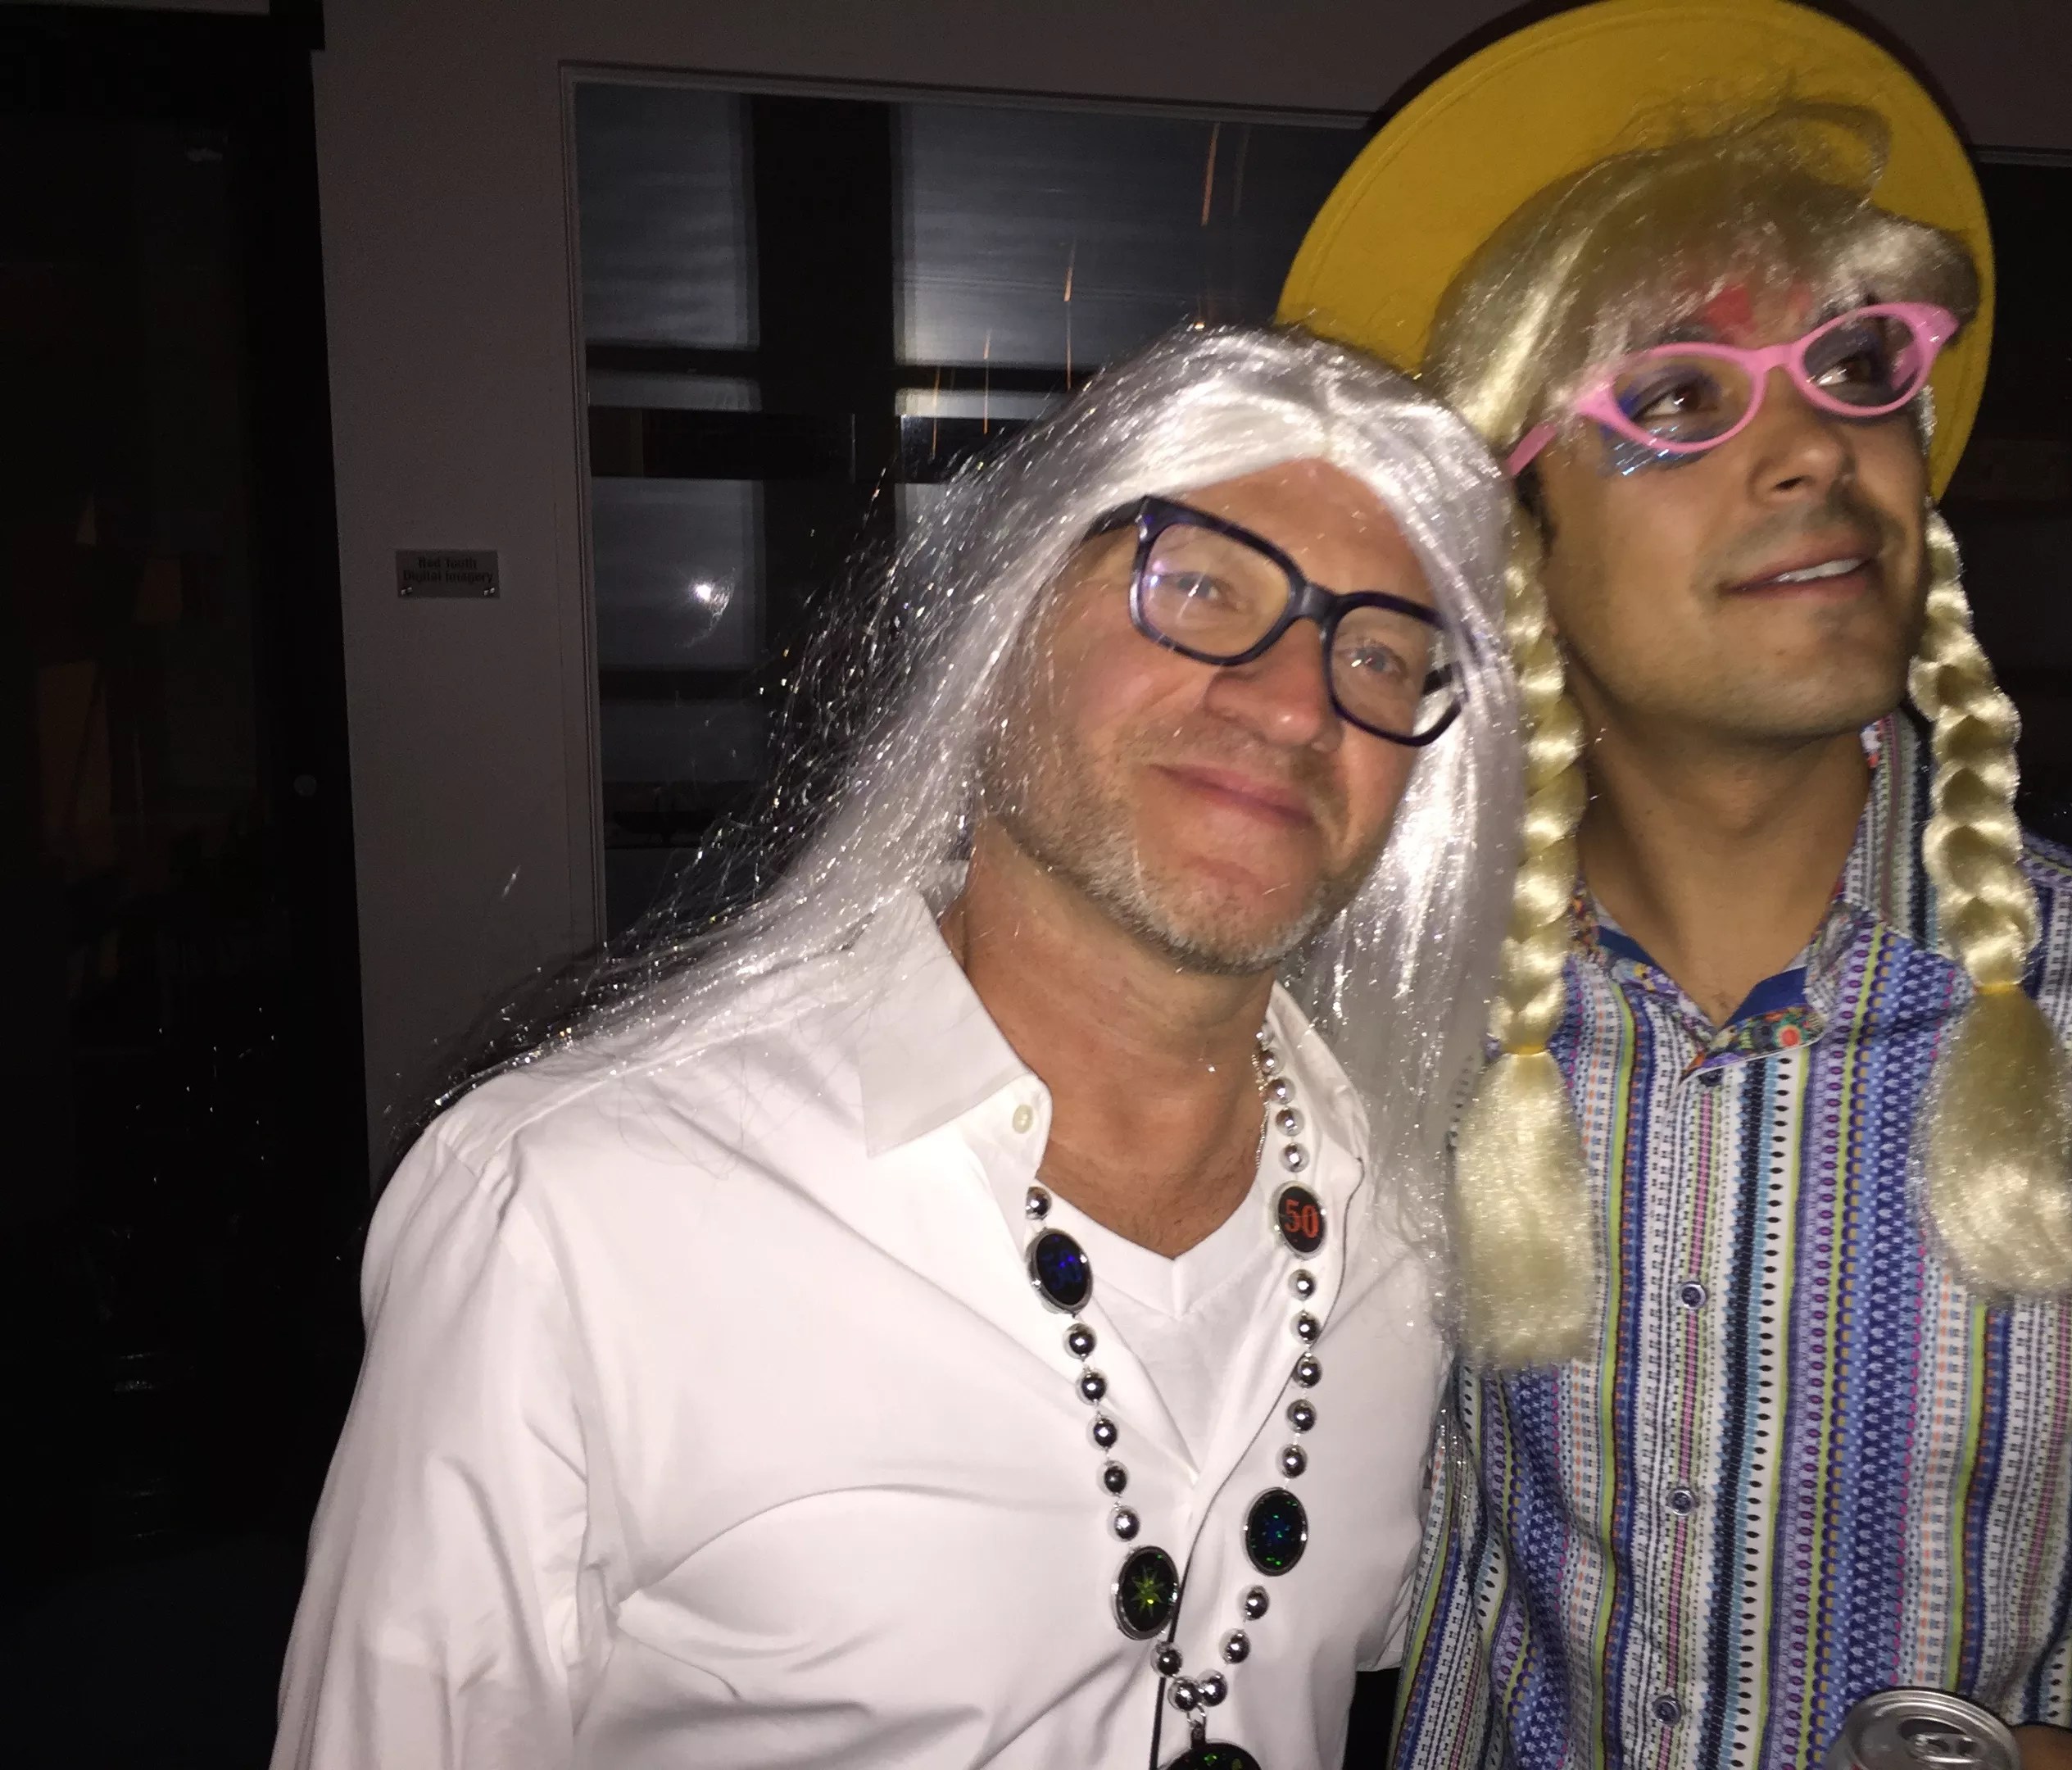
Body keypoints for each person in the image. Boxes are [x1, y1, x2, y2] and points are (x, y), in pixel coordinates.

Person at [1277, 2, 2072, 1767]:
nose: (1816, 453)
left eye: (1859, 367)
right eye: (1678, 397)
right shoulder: (1380, 1013)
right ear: (1508, 543)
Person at [270, 325, 1525, 1770]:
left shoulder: (1415, 1232)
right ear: (997, 634)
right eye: (1196, 587)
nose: (1297, 702)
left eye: (1378, 652)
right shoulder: (568, 1208)